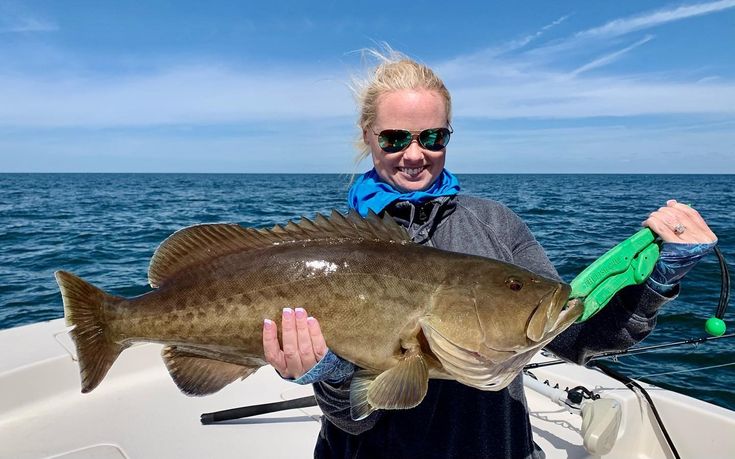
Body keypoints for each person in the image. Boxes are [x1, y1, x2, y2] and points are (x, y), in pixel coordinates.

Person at [261, 49, 718, 459]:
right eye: (395, 139)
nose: (414, 154)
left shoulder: (497, 225)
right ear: (369, 136)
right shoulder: (336, 249)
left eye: (432, 137)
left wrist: (655, 283)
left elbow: (572, 337)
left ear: (448, 136)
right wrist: (330, 373)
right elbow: (354, 419)